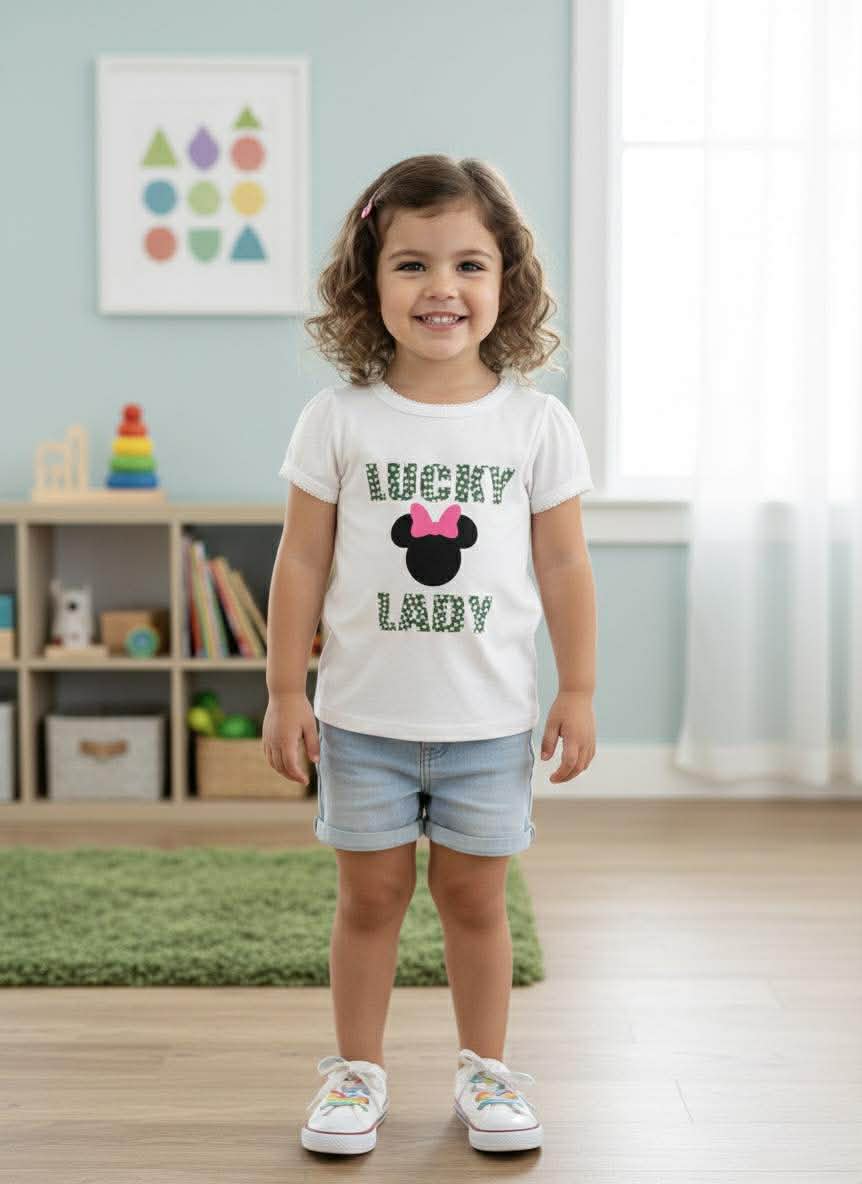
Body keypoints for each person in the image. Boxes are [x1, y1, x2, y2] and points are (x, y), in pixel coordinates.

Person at [263, 155, 597, 1156]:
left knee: (473, 897)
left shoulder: (536, 424)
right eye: (411, 264)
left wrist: (577, 685)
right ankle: (356, 1072)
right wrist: (286, 687)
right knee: (368, 896)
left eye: (468, 264)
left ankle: (486, 1072)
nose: (441, 288)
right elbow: (301, 558)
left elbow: (567, 561)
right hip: (363, 720)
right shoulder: (340, 418)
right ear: (369, 283)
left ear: (508, 281)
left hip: (487, 725)